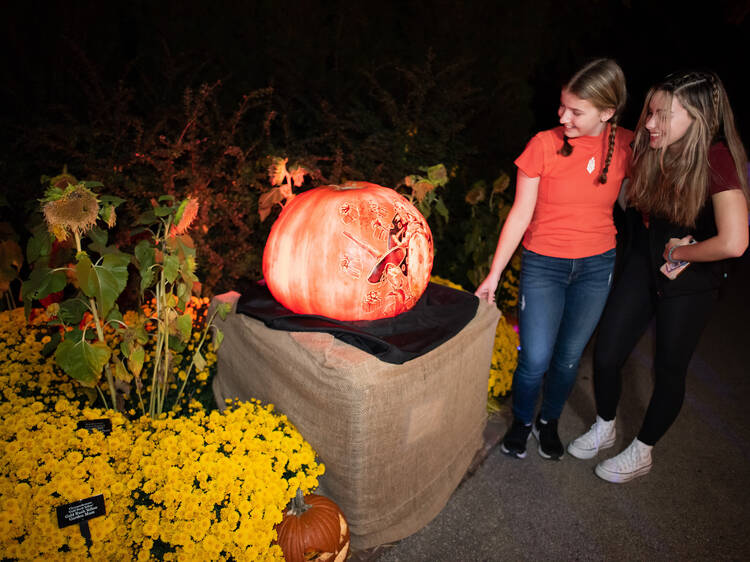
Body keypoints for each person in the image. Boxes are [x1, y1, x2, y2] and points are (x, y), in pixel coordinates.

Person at [567, 70, 750, 483]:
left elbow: (735, 242)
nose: (650, 123)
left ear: (699, 118)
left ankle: (642, 450)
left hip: (690, 277)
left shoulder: (716, 157)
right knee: (608, 351)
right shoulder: (654, 146)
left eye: (663, 115)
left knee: (668, 368)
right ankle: (606, 423)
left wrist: (682, 251)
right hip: (642, 260)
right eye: (650, 112)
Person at [475, 59, 633, 460]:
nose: (563, 116)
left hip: (597, 268)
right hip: (545, 265)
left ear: (608, 112)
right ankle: (523, 421)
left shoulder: (630, 145)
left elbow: (636, 200)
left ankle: (549, 422)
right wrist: (495, 274)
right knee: (536, 359)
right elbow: (520, 214)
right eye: (562, 106)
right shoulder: (543, 145)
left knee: (566, 361)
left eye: (576, 111)